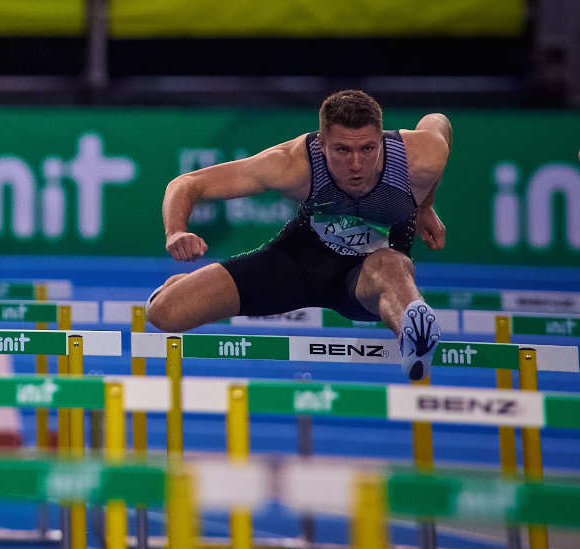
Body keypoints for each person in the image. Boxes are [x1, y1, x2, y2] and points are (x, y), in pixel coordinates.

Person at [146, 90, 450, 381]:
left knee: (391, 265)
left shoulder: (420, 156)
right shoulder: (291, 163)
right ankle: (181, 285)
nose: (356, 164)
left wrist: (425, 205)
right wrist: (176, 231)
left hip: (368, 277)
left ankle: (413, 338)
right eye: (342, 149)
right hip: (299, 263)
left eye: (367, 148)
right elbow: (186, 184)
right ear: (321, 144)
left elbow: (439, 121)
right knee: (165, 313)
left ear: (381, 140)